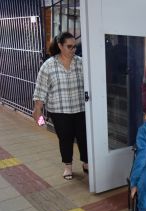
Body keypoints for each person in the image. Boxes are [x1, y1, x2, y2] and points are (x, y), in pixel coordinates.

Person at [32, 32, 88, 180]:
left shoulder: (81, 63)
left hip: (80, 108)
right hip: (59, 110)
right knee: (65, 138)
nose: (73, 50)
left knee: (84, 137)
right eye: (69, 46)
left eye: (75, 47)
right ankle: (68, 166)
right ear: (60, 46)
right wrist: (38, 112)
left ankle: (86, 162)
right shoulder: (48, 66)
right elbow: (41, 90)